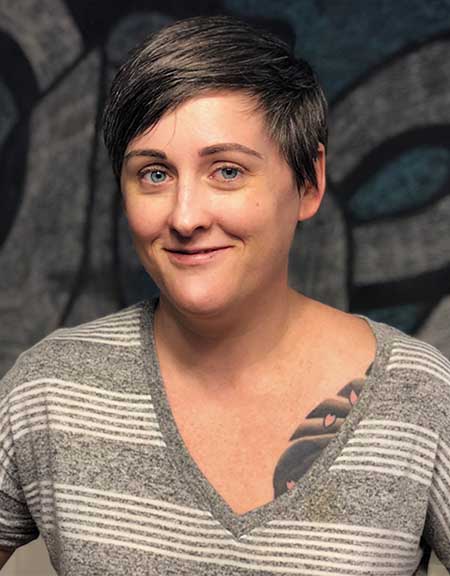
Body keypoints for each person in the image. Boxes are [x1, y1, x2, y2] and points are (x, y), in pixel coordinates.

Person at [0, 14, 449, 576]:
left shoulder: (419, 394)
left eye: (228, 171)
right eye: (155, 175)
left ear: (307, 183)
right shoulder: (49, 389)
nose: (186, 217)